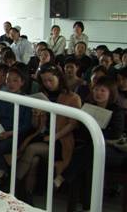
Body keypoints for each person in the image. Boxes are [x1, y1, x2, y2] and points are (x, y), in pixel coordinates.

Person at [15, 63, 81, 202]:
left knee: (31, 149)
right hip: (42, 135)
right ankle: (26, 196)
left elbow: (73, 124)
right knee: (34, 160)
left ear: (59, 78)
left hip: (60, 140)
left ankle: (14, 185)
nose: (47, 84)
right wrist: (36, 115)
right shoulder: (42, 96)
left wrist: (54, 137)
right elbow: (36, 126)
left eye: (50, 80)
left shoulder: (73, 97)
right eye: (44, 81)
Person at [72, 76, 127, 212]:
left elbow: (115, 133)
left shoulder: (117, 110)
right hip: (92, 150)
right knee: (91, 162)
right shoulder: (88, 106)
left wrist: (96, 130)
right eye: (96, 89)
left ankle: (64, 176)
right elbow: (82, 131)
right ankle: (88, 206)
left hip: (114, 150)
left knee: (92, 152)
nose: (98, 93)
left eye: (103, 90)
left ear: (110, 93)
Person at [0, 66, 32, 182]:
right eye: (8, 80)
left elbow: (26, 125)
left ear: (22, 82)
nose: (11, 83)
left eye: (15, 80)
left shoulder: (26, 100)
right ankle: (1, 171)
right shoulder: (2, 96)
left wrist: (10, 133)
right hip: (0, 132)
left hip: (15, 135)